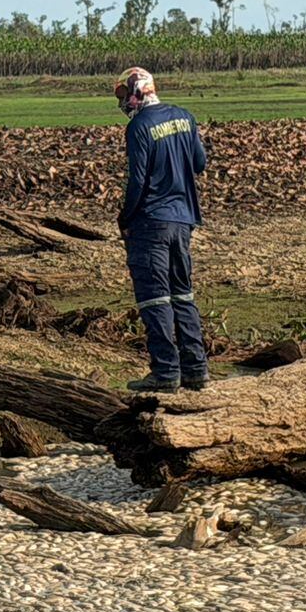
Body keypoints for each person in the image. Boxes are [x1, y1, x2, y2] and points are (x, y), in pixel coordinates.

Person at [115, 67, 209, 392]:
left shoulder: (139, 127)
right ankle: (196, 370)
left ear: (135, 92)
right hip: (183, 220)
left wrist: (125, 216)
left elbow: (137, 181)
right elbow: (200, 163)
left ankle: (166, 373)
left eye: (122, 94)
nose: (122, 101)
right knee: (183, 293)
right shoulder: (185, 117)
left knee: (155, 296)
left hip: (151, 222)